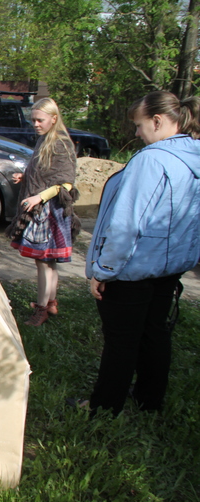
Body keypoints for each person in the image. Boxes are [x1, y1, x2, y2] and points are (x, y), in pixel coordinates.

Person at [84, 91, 200, 415]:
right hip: (168, 269)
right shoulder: (194, 157)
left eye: (139, 125)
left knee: (121, 341)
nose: (136, 133)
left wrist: (103, 270)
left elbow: (127, 224)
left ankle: (104, 407)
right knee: (154, 334)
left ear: (158, 121)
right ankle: (149, 400)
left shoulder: (151, 160)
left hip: (132, 271)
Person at [5, 98, 79, 327]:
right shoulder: (45, 139)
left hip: (50, 211)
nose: (35, 124)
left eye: (40, 120)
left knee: (44, 262)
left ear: (53, 119)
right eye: (33, 120)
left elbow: (66, 183)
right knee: (48, 262)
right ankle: (51, 302)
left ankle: (42, 309)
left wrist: (39, 197)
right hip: (43, 208)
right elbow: (44, 173)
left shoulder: (61, 144)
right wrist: (26, 177)